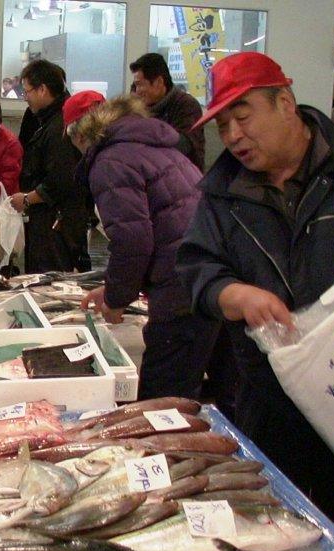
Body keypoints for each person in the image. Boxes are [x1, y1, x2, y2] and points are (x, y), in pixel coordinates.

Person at [175, 52, 334, 551]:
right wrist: (232, 295)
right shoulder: (221, 193)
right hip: (274, 401)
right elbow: (195, 266)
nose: (233, 135)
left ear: (285, 102)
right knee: (273, 540)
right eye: (223, 124)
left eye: (243, 117)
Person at [66, 91, 219, 402]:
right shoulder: (155, 147)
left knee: (161, 403)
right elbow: (158, 226)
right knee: (202, 395)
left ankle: (167, 452)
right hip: (208, 280)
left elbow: (133, 240)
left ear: (79, 136)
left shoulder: (110, 160)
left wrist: (117, 298)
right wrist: (113, 286)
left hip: (181, 289)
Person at [10, 59, 90, 273]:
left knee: (49, 283)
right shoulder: (49, 119)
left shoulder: (58, 127)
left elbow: (61, 179)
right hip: (52, 221)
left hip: (56, 224)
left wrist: (27, 199)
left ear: (43, 89)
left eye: (27, 91)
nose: (25, 97)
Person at [129, 53, 205, 171]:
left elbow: (184, 146)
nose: (137, 91)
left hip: (183, 176)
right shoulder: (136, 106)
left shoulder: (187, 105)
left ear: (159, 82)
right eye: (135, 86)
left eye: (140, 85)